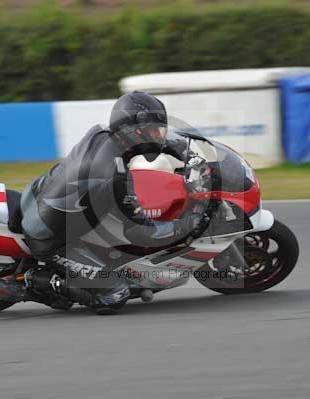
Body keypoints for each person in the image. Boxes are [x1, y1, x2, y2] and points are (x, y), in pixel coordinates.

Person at [20, 91, 204, 314]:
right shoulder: (113, 176)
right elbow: (141, 232)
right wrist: (188, 224)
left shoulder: (103, 133)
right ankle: (45, 284)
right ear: (133, 131)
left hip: (39, 196)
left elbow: (156, 142)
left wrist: (187, 150)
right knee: (116, 293)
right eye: (152, 131)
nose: (158, 136)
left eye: (159, 130)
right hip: (51, 238)